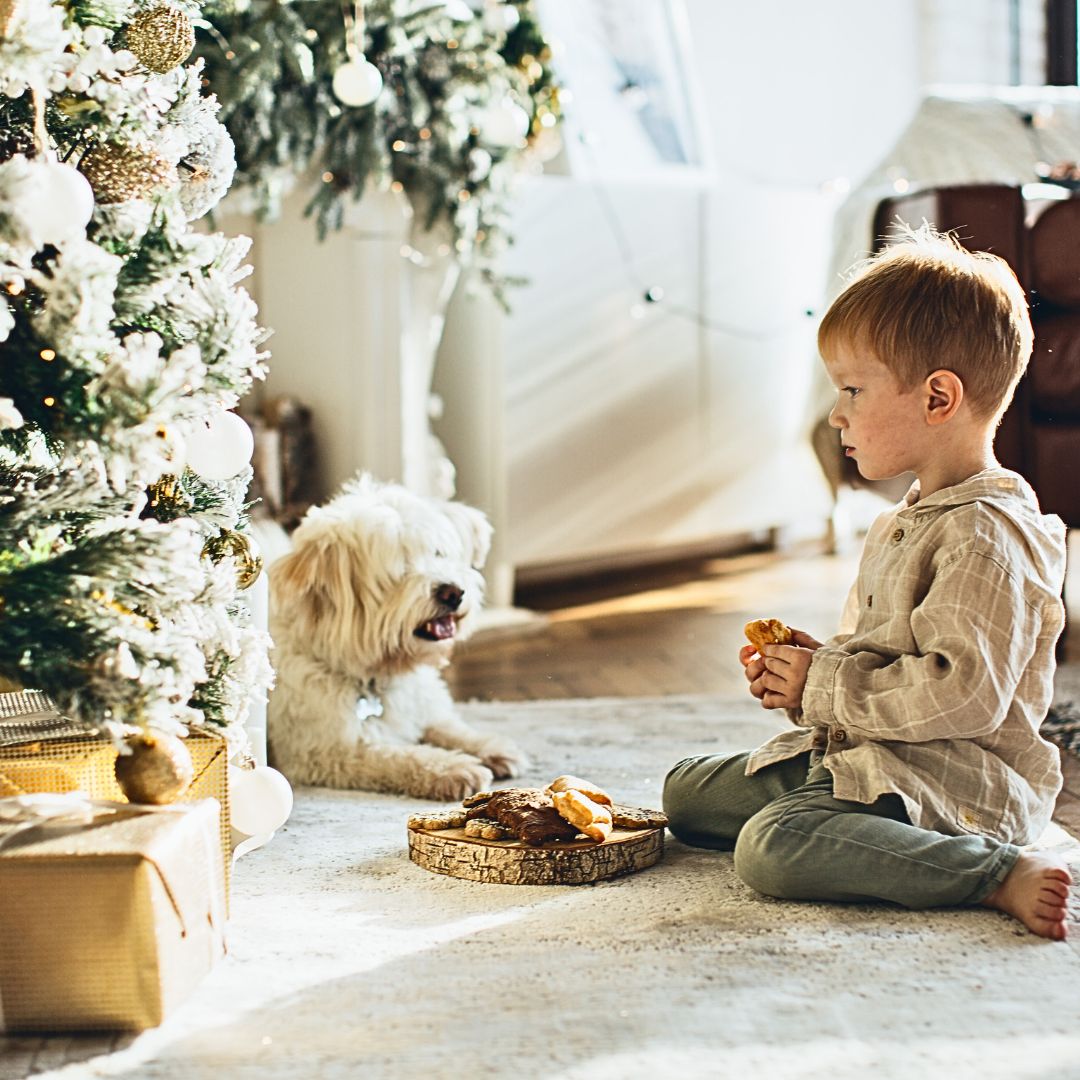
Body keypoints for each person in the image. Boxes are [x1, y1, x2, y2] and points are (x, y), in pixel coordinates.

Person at [663, 225, 1073, 940]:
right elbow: (895, 655)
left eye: (853, 388)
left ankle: (989, 872)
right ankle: (847, 829)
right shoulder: (915, 515)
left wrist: (823, 683)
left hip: (953, 785)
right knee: (686, 792)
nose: (837, 413)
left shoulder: (984, 536)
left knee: (773, 848)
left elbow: (963, 695)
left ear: (938, 398)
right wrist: (813, 669)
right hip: (877, 756)